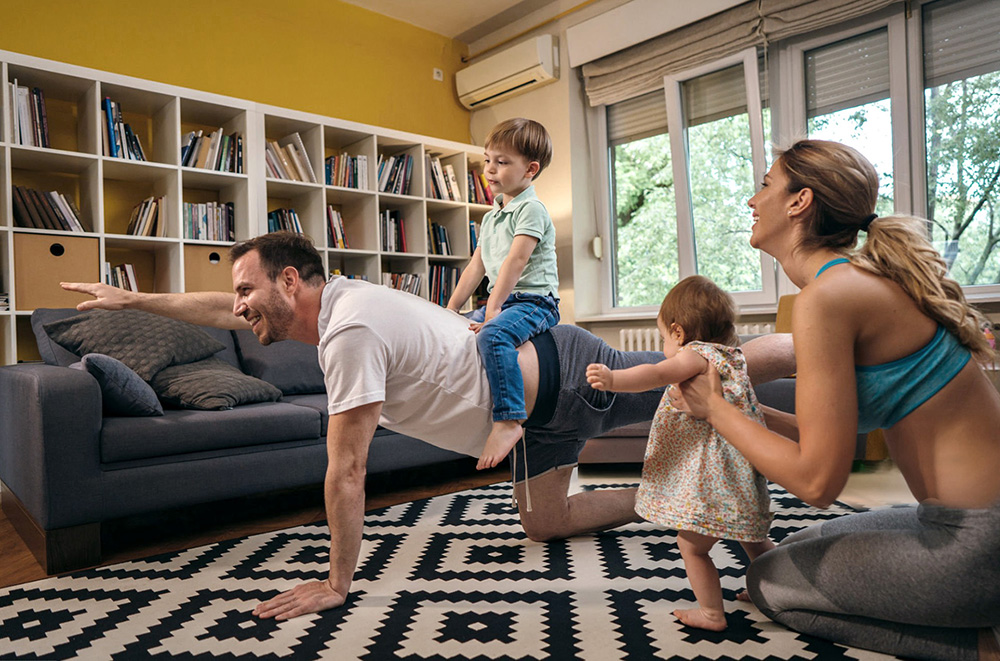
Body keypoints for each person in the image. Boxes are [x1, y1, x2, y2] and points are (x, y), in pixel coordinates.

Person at [61, 231, 795, 623]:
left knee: (696, 373)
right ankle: (657, 491)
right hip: (534, 421)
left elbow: (347, 470)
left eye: (249, 288)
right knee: (543, 523)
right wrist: (131, 301)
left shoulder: (346, 331)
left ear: (292, 282)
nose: (240, 306)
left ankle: (816, 347)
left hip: (566, 375)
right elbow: (221, 309)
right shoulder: (337, 300)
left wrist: (337, 580)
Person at [674, 139, 1000, 660]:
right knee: (797, 547)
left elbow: (817, 482)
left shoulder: (827, 296)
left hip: (979, 546)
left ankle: (978, 646)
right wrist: (742, 414)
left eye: (765, 186)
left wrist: (716, 410)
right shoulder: (859, 279)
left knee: (768, 584)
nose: (752, 202)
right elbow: (832, 436)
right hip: (963, 524)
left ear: (799, 202)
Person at [586, 275, 774, 632]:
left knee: (692, 547)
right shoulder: (733, 359)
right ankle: (773, 587)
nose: (664, 346)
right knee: (752, 536)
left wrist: (614, 380)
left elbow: (656, 373)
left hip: (713, 479)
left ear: (677, 331)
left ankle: (712, 614)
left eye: (662, 338)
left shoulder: (695, 356)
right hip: (741, 473)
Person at [445, 118, 560, 471]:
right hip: (506, 301)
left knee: (493, 335)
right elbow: (476, 267)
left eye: (502, 161)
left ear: (531, 169)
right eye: (487, 159)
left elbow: (516, 260)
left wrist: (492, 307)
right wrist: (450, 309)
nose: (490, 169)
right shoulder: (493, 215)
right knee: (453, 332)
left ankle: (510, 419)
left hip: (534, 302)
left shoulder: (531, 209)